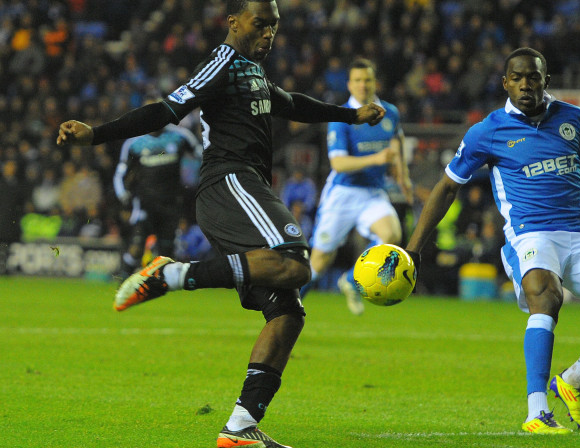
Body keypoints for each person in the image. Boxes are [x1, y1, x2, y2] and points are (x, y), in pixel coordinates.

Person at [56, 1, 385, 447]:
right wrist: (96, 133)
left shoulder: (252, 71)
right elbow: (166, 110)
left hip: (244, 184)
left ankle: (239, 428)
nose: (269, 32)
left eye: (274, 25)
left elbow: (289, 103)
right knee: (294, 263)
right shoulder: (223, 62)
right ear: (233, 23)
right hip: (227, 180)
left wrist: (351, 115)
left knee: (287, 313)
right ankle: (170, 273)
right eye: (260, 24)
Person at [404, 48, 580, 435]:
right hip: (530, 233)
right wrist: (413, 249)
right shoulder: (488, 130)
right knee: (545, 295)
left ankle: (573, 378)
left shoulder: (575, 119)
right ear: (506, 83)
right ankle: (537, 411)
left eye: (534, 77)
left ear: (546, 81)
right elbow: (446, 188)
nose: (526, 84)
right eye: (518, 78)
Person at [303, 58, 412, 314]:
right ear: (350, 85)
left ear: (375, 83)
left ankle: (350, 279)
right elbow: (338, 163)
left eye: (368, 80)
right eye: (358, 81)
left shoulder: (390, 113)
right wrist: (377, 158)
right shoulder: (342, 118)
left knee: (392, 235)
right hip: (342, 194)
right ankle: (290, 306)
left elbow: (396, 145)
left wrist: (404, 179)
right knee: (320, 260)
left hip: (372, 192)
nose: (363, 85)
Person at [113, 120, 203, 277]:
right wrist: (123, 196)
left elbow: (203, 155)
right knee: (138, 243)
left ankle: (160, 284)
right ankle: (124, 279)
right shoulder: (135, 143)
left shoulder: (179, 136)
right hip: (144, 202)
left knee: (167, 249)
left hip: (172, 202)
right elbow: (120, 174)